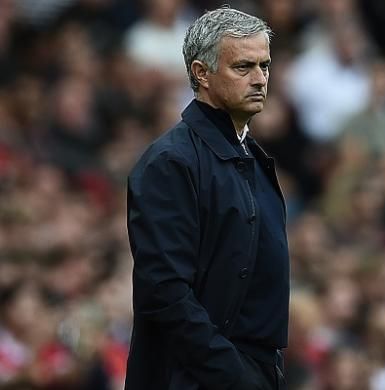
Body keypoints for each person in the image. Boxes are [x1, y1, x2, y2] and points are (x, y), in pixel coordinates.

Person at [125, 7, 288, 389]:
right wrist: (232, 372)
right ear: (201, 74)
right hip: (198, 377)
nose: (260, 79)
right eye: (243, 67)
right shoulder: (171, 162)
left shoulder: (249, 154)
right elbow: (164, 291)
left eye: (264, 66)